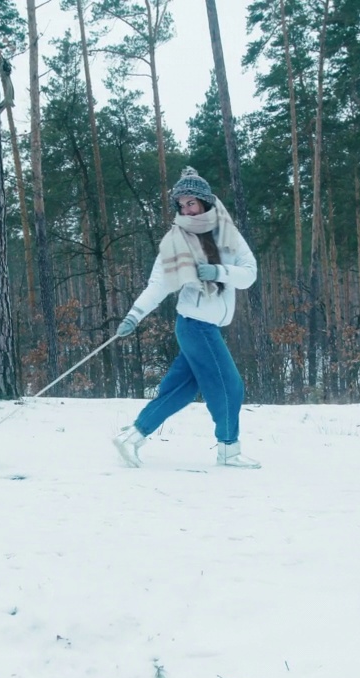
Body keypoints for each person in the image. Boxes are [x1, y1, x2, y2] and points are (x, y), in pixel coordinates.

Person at [112, 167, 261, 469]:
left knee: (180, 389)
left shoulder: (226, 231)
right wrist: (134, 316)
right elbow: (158, 284)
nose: (186, 209)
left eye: (191, 202)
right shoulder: (175, 240)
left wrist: (219, 272)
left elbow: (249, 274)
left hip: (207, 327)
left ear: (205, 201)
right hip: (194, 325)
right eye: (181, 204)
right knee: (229, 385)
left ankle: (132, 436)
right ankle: (229, 450)